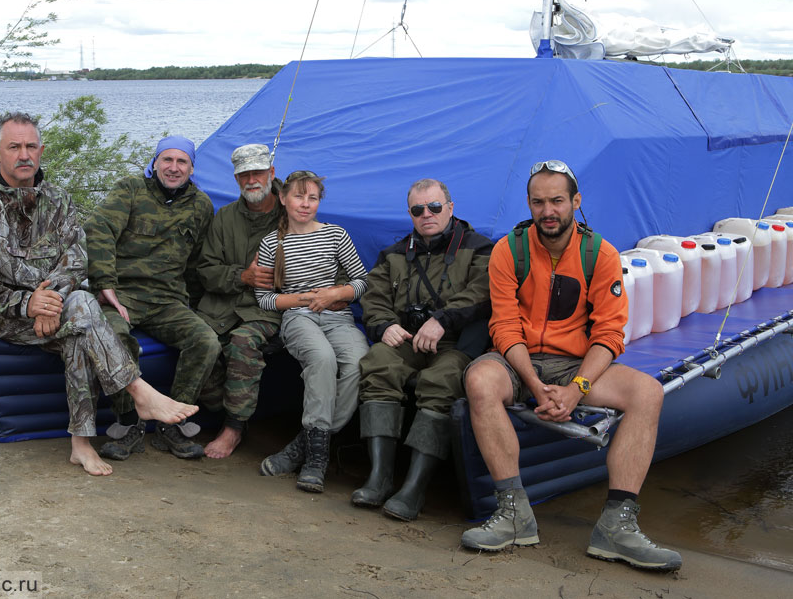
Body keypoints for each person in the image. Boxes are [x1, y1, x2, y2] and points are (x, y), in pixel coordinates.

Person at [459, 160, 681, 570]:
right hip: (520, 362)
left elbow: (609, 335)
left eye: (557, 201)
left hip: (574, 363)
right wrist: (532, 382)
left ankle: (617, 526)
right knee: (480, 378)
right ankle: (514, 514)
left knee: (647, 392)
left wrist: (576, 387)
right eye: (539, 202)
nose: (548, 211)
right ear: (528, 203)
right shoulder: (509, 250)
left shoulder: (601, 254)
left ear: (576, 202)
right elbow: (505, 327)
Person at [0, 113, 198, 477]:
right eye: (14, 147)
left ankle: (80, 445)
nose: (25, 155)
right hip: (5, 318)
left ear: (41, 151)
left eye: (31, 146)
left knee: (79, 328)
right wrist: (26, 304)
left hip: (60, 308)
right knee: (83, 307)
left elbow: (77, 258)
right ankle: (140, 391)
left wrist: (49, 300)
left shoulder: (59, 200)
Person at [352, 179, 492, 521]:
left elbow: (483, 293)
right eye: (418, 210)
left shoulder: (481, 250)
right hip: (409, 339)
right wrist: (385, 325)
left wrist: (444, 319)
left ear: (451, 208)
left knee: (442, 381)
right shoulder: (395, 255)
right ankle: (380, 477)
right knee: (378, 363)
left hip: (455, 343)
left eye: (434, 207)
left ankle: (415, 487)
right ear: (410, 214)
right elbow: (374, 299)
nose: (426, 215)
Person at [83, 136, 217, 461]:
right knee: (114, 337)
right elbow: (97, 228)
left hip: (168, 301)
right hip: (121, 295)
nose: (173, 168)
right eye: (167, 160)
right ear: (155, 162)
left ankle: (175, 422)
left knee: (206, 341)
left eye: (181, 162)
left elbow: (198, 264)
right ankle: (130, 422)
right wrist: (104, 284)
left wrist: (196, 309)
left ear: (191, 167)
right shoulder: (129, 189)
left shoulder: (202, 206)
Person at [255, 170, 369, 493]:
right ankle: (316, 461)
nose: (305, 204)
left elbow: (361, 282)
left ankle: (303, 444)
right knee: (322, 359)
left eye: (312, 198)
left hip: (337, 316)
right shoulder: (272, 243)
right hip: (298, 317)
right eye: (298, 196)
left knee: (359, 360)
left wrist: (336, 294)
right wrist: (302, 298)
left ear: (319, 201)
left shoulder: (335, 235)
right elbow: (264, 299)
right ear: (283, 198)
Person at [196, 144, 284, 458]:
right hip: (220, 307)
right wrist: (241, 277)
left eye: (257, 172)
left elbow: (313, 266)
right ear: (236, 179)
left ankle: (232, 428)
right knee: (197, 343)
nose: (251, 180)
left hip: (267, 309)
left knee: (243, 343)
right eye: (243, 174)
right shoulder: (225, 218)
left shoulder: (291, 217)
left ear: (271, 173)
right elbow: (206, 270)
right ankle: (232, 410)